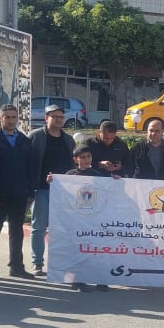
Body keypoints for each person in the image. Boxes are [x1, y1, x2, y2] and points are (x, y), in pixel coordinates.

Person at [0, 104, 34, 280]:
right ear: (0, 118)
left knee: (16, 232)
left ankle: (17, 266)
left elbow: (30, 168)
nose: (11, 120)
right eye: (7, 117)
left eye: (14, 117)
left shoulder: (24, 140)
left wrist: (30, 192)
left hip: (19, 194)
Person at [28, 103, 75, 275]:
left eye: (61, 117)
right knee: (38, 227)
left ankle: (59, 264)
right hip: (41, 189)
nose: (59, 120)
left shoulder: (68, 140)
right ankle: (37, 263)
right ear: (46, 118)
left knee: (62, 229)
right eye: (55, 117)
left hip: (63, 192)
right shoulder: (35, 136)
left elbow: (73, 164)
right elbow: (27, 163)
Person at [64, 143, 114, 293]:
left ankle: (100, 280)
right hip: (76, 221)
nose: (87, 160)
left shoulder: (97, 175)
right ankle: (78, 281)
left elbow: (106, 193)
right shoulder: (69, 176)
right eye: (83, 157)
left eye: (89, 156)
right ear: (76, 159)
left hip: (93, 220)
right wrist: (51, 181)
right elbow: (60, 192)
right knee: (78, 250)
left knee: (96, 250)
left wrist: (115, 180)